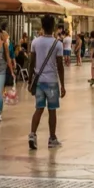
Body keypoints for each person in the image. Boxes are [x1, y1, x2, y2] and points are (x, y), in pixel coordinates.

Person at [28, 14, 66, 150]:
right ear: (54, 27)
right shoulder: (58, 44)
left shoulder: (35, 42)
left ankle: (32, 134)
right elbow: (60, 66)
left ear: (42, 26)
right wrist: (62, 85)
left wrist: (29, 81)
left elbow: (31, 63)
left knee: (38, 108)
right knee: (52, 110)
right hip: (51, 82)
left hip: (38, 81)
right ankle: (52, 138)